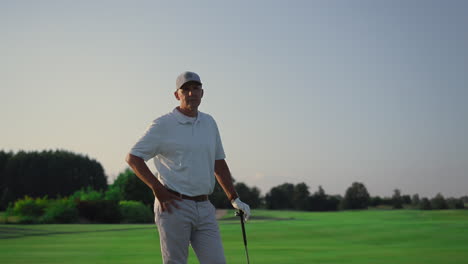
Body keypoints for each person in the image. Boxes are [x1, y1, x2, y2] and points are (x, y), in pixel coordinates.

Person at [125, 71, 251, 264]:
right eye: (186, 90)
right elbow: (133, 158)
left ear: (202, 92)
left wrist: (234, 198)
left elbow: (218, 162)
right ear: (177, 95)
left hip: (205, 206)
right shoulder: (163, 124)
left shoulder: (209, 123)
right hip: (174, 206)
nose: (191, 93)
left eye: (196, 88)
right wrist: (158, 190)